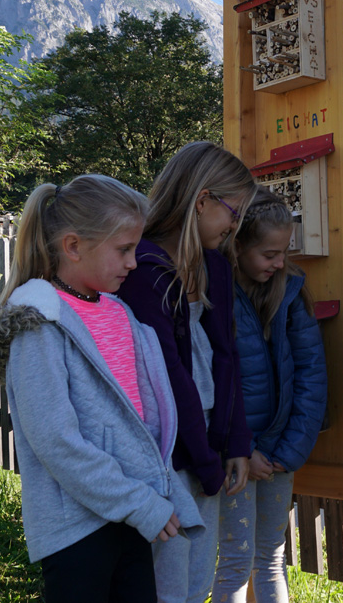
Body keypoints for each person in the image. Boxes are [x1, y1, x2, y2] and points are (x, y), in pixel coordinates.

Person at [0, 175, 204, 603]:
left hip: (132, 517)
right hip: (78, 530)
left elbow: (143, 425)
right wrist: (138, 502)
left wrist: (157, 493)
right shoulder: (38, 323)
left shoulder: (120, 314)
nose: (134, 262)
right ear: (74, 246)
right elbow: (57, 442)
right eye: (123, 250)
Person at [118, 141, 256, 603]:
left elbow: (226, 355)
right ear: (202, 200)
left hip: (207, 447)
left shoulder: (214, 265)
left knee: (198, 581)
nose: (235, 227)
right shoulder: (143, 271)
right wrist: (206, 462)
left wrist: (235, 443)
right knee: (170, 586)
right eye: (233, 214)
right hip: (169, 457)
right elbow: (170, 380)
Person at [212, 190, 328, 603]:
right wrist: (242, 447)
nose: (279, 263)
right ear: (238, 245)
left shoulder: (291, 293)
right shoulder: (214, 294)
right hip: (238, 459)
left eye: (283, 253)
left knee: (272, 557)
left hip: (280, 453)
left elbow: (312, 377)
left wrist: (286, 452)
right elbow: (214, 380)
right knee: (236, 563)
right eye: (269, 254)